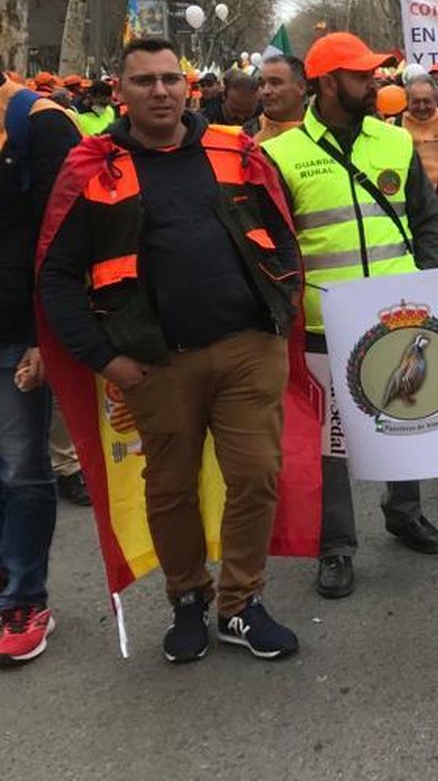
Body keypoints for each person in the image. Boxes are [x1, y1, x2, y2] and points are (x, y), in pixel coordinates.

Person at [38, 37, 302, 662]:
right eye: (144, 81)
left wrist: (281, 309)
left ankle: (240, 605)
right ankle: (188, 598)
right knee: (172, 489)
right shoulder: (91, 167)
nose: (159, 91)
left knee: (257, 477)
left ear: (187, 86)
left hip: (246, 350)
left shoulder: (235, 150)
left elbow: (284, 235)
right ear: (119, 91)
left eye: (168, 80)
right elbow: (54, 275)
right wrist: (106, 360)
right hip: (155, 364)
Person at [260, 32, 438, 600]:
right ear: (326, 82)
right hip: (322, 322)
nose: (374, 84)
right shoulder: (279, 154)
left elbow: (427, 219)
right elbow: (271, 247)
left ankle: (405, 510)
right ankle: (336, 545)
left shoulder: (392, 143)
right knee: (331, 443)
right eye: (361, 76)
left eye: (373, 74)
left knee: (404, 416)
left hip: (397, 313)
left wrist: (429, 279)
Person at [0, 77, 80, 663]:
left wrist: (45, 338)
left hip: (14, 338)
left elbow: (63, 241)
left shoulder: (39, 121)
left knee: (22, 470)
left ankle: (23, 598)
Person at [401, 76, 438, 188]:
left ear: (436, 101)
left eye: (427, 101)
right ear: (407, 101)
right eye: (416, 102)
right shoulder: (394, 126)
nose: (421, 107)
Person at [254, 55, 307, 141]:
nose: (266, 91)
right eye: (262, 84)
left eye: (275, 83)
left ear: (301, 87)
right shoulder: (245, 137)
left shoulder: (325, 136)